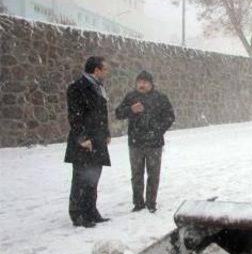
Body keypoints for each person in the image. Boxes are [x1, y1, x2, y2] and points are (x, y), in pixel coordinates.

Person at [115, 71, 175, 213]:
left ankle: (151, 202)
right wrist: (130, 109)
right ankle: (138, 203)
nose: (141, 85)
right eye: (139, 82)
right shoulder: (131, 97)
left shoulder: (160, 97)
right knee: (136, 174)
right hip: (135, 143)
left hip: (154, 143)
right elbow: (118, 113)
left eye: (144, 82)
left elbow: (170, 116)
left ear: (151, 83)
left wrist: (157, 131)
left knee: (153, 174)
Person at [64, 56, 111, 227]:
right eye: (104, 69)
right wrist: (82, 138)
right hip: (84, 141)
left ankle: (91, 211)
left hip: (97, 140)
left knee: (93, 178)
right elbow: (75, 115)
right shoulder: (77, 88)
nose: (106, 72)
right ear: (96, 70)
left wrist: (106, 133)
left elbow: (101, 114)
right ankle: (78, 214)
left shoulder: (98, 87)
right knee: (80, 179)